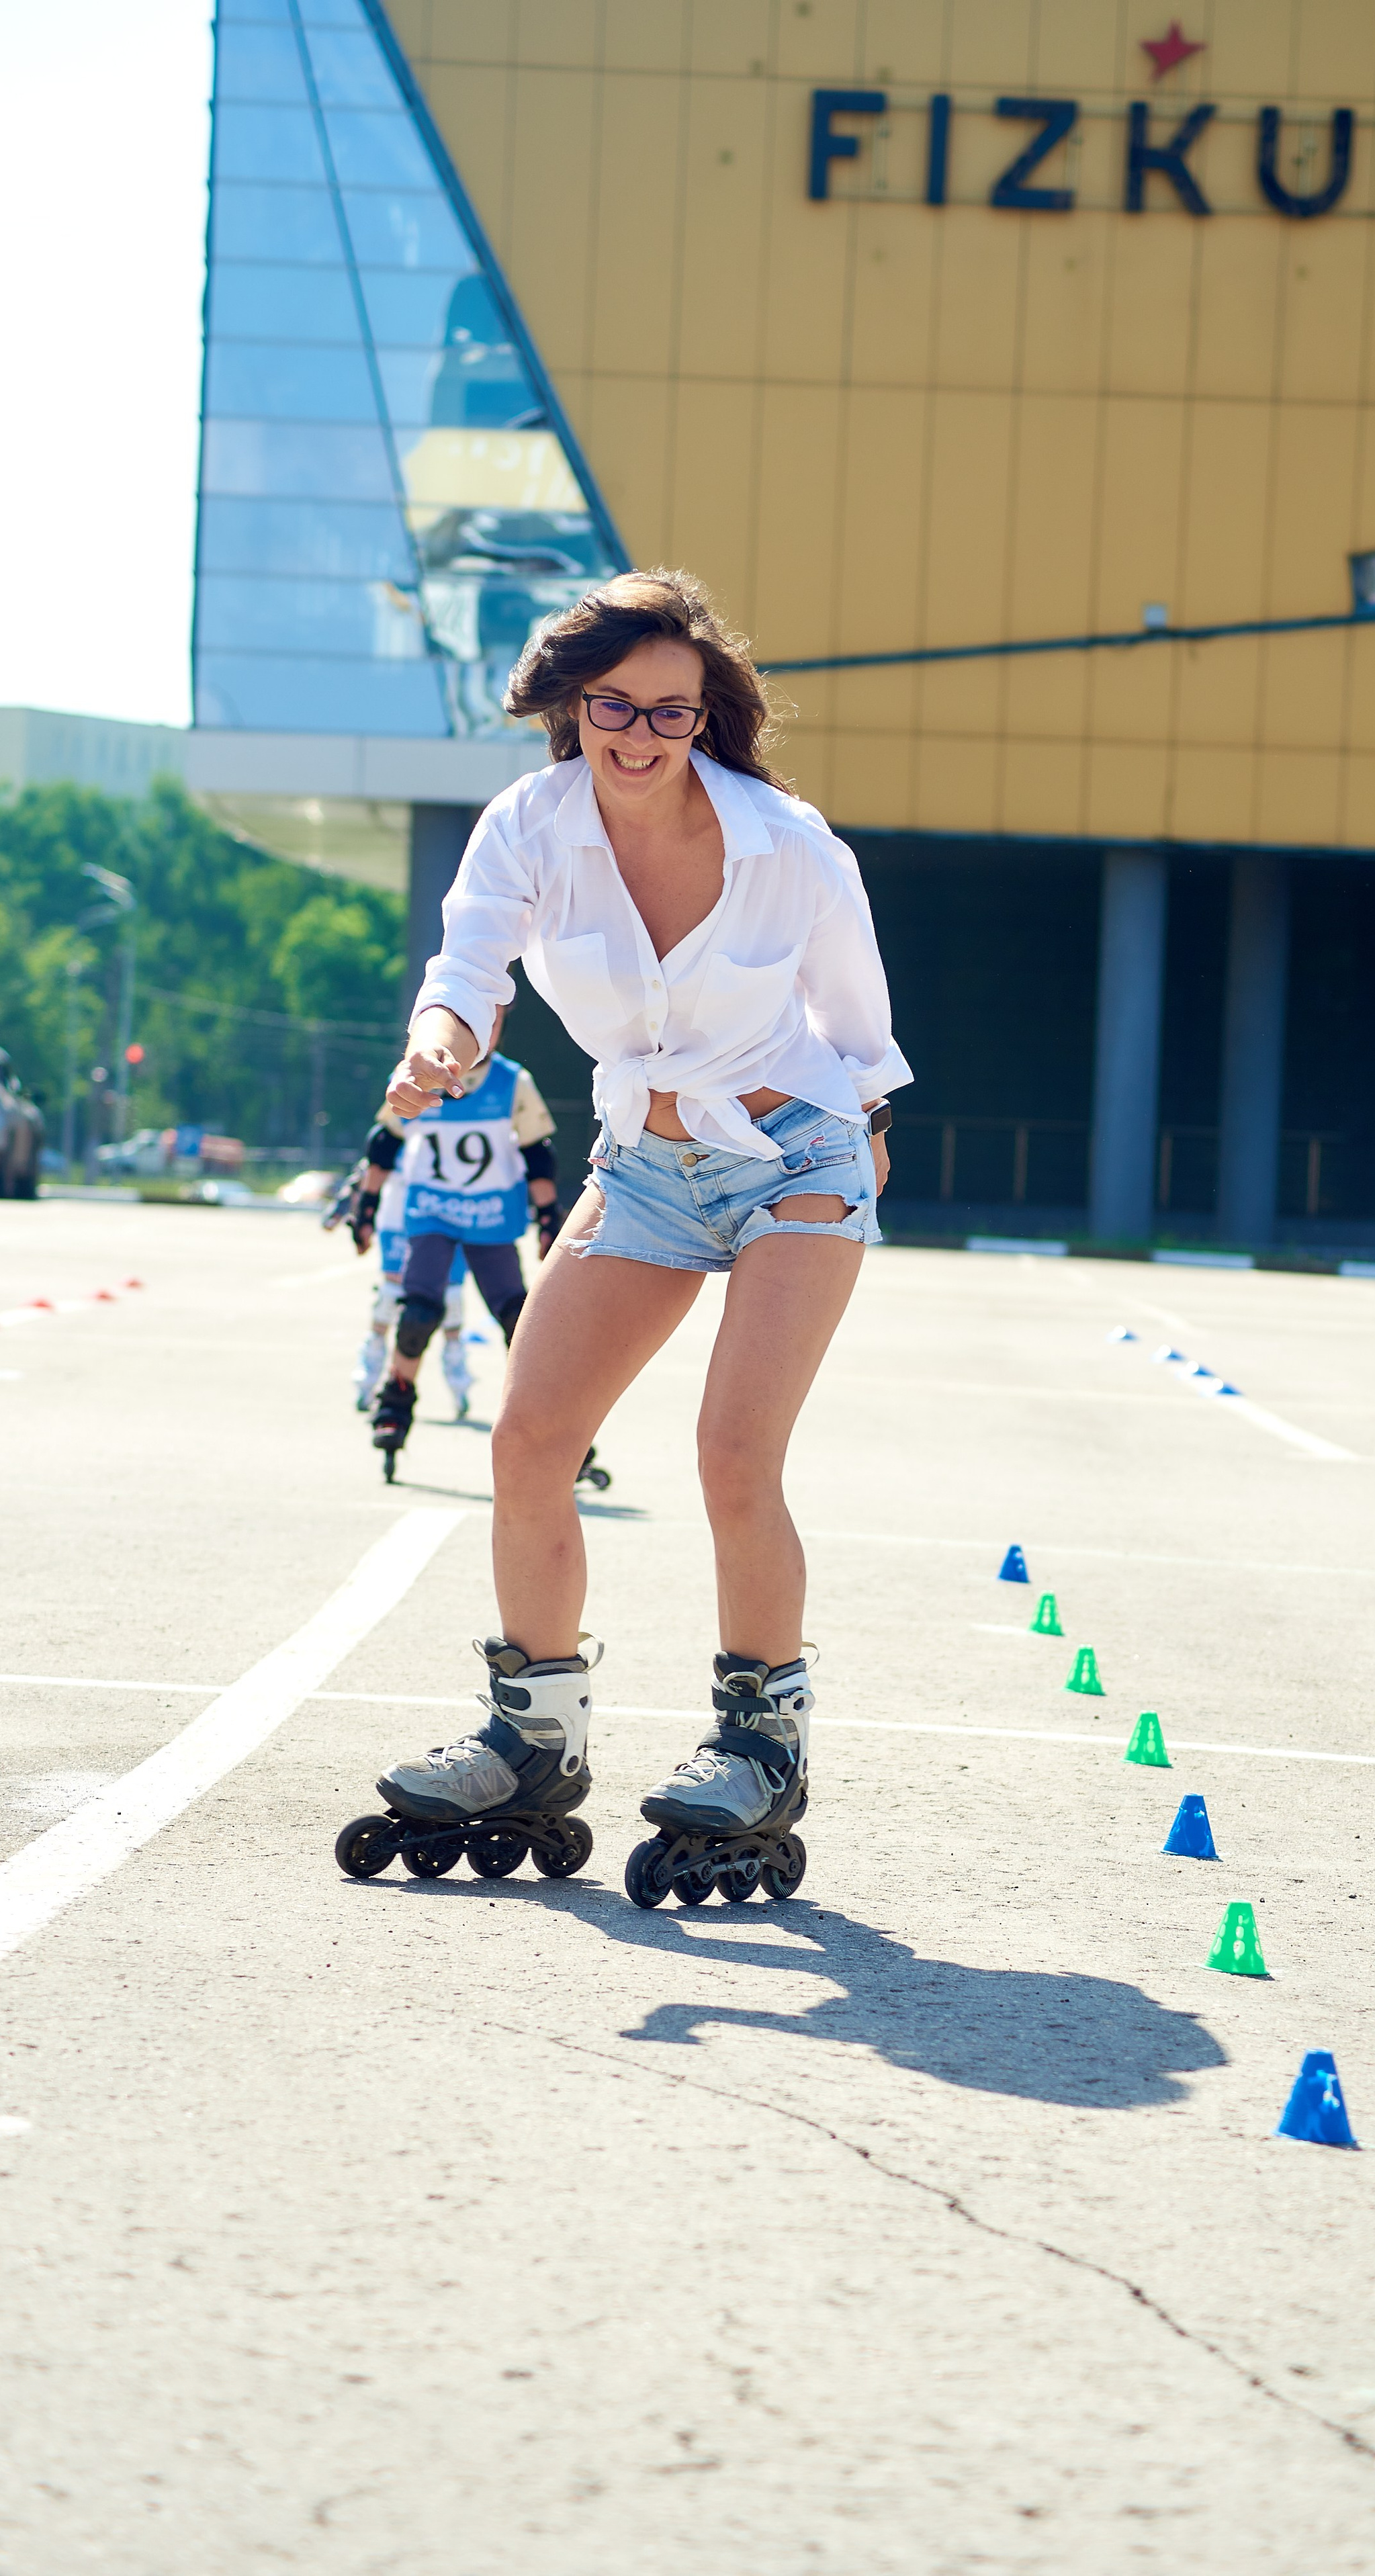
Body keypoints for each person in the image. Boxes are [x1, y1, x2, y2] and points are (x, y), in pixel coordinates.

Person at [360, 568, 908, 1906]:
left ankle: (759, 1747)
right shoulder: (528, 828)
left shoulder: (787, 842)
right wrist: (437, 1050)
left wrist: (872, 1125)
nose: (640, 735)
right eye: (614, 705)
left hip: (795, 1157)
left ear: (703, 714)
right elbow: (467, 974)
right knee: (528, 1438)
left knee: (732, 1450)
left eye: (671, 711)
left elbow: (856, 1017)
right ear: (572, 703)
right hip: (648, 1168)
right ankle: (532, 1737)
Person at [350, 1033, 564, 1470]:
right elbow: (385, 1141)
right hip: (433, 1211)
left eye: (495, 1018)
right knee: (418, 1313)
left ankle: (555, 1426)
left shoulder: (511, 1081)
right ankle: (395, 1404)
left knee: (517, 1320)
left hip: (490, 1215)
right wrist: (366, 1205)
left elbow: (537, 1152)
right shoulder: (415, 1075)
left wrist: (548, 1216)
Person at [350, 1157, 475, 1419]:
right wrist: (359, 1206)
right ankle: (368, 1380)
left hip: (447, 1210)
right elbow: (375, 1157)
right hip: (397, 1211)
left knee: (450, 1296)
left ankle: (459, 1384)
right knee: (390, 1295)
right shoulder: (398, 1118)